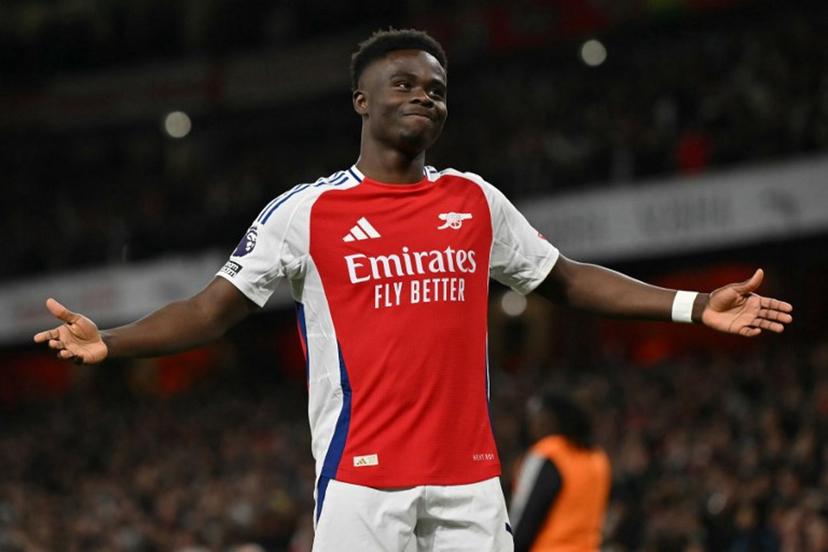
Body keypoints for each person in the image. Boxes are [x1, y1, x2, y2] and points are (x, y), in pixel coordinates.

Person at [34, 29, 793, 552]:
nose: (424, 96)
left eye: (436, 87)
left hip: (471, 484)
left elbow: (564, 279)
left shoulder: (475, 201)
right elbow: (210, 310)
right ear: (362, 102)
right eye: (404, 84)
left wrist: (692, 304)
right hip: (361, 485)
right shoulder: (307, 212)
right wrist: (114, 341)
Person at [510, 392, 610, 552]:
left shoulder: (547, 453)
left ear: (550, 419)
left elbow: (524, 522)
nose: (531, 423)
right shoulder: (598, 459)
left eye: (536, 415)